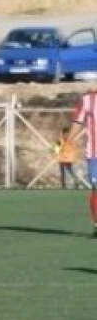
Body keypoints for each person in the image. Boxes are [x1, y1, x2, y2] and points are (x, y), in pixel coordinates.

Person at [65, 89, 97, 235]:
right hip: (94, 153)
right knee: (96, 187)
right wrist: (68, 141)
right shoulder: (88, 99)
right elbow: (78, 121)